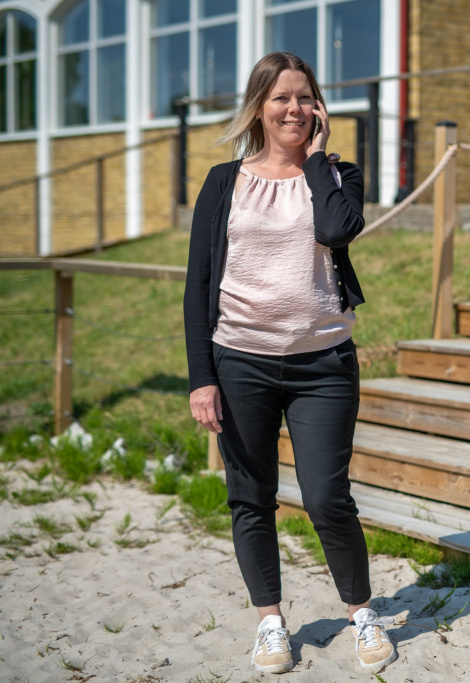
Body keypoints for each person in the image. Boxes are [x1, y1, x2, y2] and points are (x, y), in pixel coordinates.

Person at [183, 52, 396, 674]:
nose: (295, 110)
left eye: (305, 98)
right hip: (240, 362)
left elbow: (335, 230)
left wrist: (320, 159)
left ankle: (361, 614)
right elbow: (198, 284)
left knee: (329, 497)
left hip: (323, 364)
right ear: (259, 106)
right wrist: (202, 378)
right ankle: (271, 623)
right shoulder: (223, 182)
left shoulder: (339, 175)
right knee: (250, 496)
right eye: (281, 98)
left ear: (319, 108)